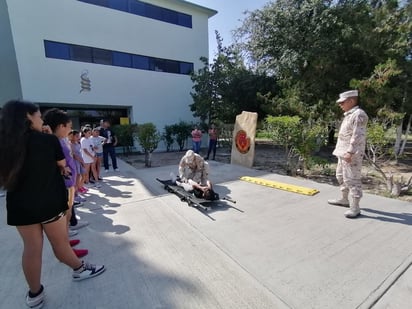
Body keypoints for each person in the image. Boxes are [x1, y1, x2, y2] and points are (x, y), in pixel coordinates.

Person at [0, 100, 105, 308]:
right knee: (60, 243)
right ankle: (79, 269)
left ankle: (35, 293)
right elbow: (62, 165)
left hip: (19, 204)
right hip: (47, 201)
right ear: (28, 118)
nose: (41, 120)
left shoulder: (4, 143)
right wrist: (48, 136)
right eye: (38, 116)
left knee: (31, 248)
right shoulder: (46, 140)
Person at [327, 90, 368, 218]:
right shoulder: (349, 114)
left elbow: (358, 136)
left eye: (342, 102)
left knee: (352, 180)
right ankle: (344, 199)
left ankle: (355, 208)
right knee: (340, 176)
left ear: (351, 101)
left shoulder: (359, 114)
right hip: (343, 152)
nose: (340, 105)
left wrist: (350, 152)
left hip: (351, 154)